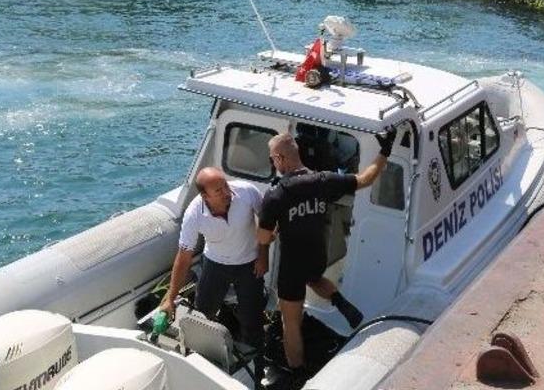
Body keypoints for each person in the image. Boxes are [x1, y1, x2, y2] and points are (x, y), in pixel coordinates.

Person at [257, 131, 394, 382]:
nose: (273, 164)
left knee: (291, 325)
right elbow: (366, 179)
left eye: (272, 159)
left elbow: (263, 238)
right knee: (314, 277)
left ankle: (297, 374)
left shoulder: (276, 195)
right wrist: (385, 150)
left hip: (292, 266)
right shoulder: (323, 180)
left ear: (280, 158)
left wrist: (268, 244)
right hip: (317, 254)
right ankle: (339, 300)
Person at [159, 167, 268, 355]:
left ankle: (254, 362)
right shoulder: (194, 214)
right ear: (205, 196)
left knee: (252, 319)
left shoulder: (247, 192)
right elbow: (183, 257)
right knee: (202, 315)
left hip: (249, 263)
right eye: (218, 191)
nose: (227, 192)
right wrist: (170, 298)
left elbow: (266, 224)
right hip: (215, 264)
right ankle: (201, 355)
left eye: (225, 185)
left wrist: (263, 255)